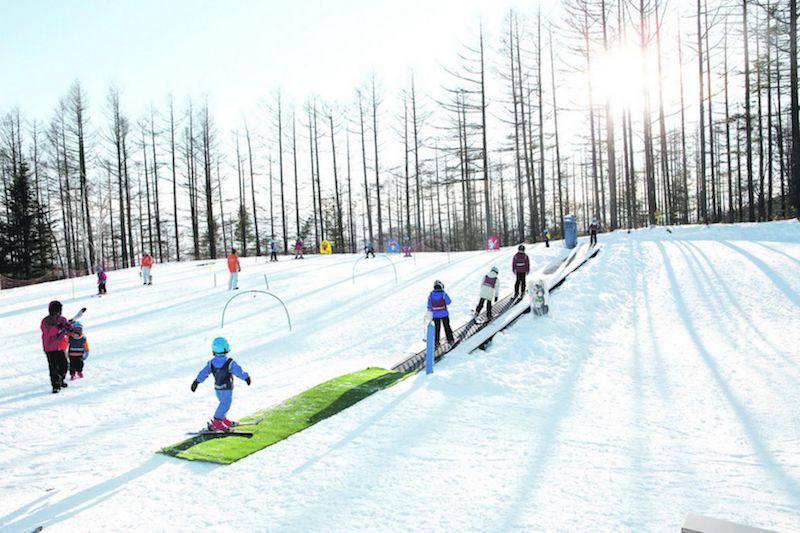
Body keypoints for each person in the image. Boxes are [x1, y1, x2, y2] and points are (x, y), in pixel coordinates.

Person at [190, 337, 252, 431]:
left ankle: (222, 419)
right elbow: (238, 371)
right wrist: (246, 377)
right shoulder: (230, 362)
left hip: (218, 388)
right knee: (225, 403)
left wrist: (197, 381)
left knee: (223, 403)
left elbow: (204, 373)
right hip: (226, 388)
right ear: (226, 348)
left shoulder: (211, 363)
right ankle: (217, 422)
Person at [40, 300, 73, 393]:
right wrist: (58, 327)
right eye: (55, 311)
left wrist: (70, 328)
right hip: (50, 348)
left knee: (64, 365)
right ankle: (56, 385)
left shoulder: (63, 319)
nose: (57, 314)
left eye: (58, 311)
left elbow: (69, 331)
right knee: (54, 367)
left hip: (61, 346)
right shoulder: (45, 321)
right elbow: (48, 332)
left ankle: (61, 379)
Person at [427, 280, 455, 347]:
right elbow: (449, 302)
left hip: (435, 315)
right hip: (444, 314)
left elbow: (429, 306)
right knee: (447, 326)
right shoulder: (443, 294)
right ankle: (450, 340)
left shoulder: (431, 295)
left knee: (437, 328)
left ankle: (437, 342)